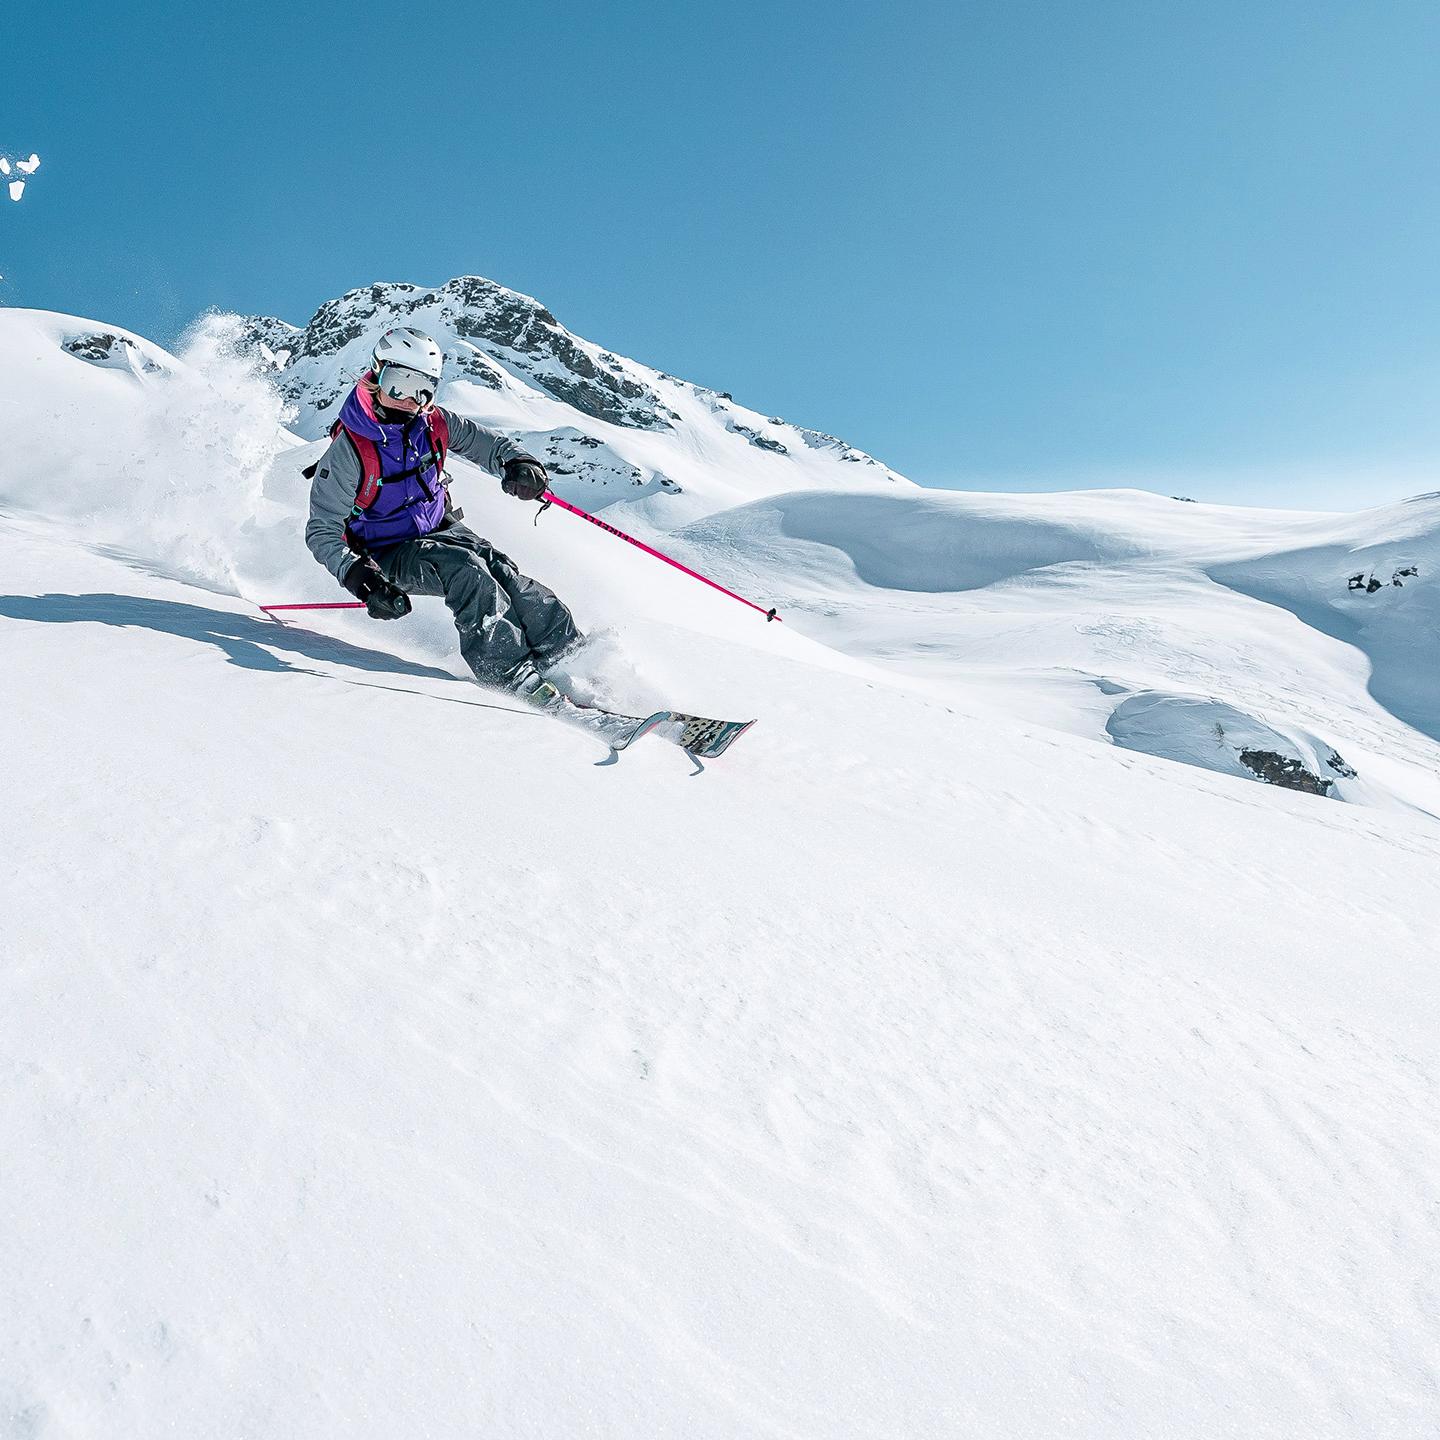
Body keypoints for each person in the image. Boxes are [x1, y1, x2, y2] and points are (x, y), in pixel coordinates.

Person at [304, 327, 580, 706]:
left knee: (503, 572)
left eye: (423, 388)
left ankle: (568, 655)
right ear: (375, 375)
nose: (409, 400)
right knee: (466, 572)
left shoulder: (435, 423)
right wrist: (361, 579)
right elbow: (322, 529)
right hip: (386, 551)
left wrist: (517, 463)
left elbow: (492, 445)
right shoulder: (351, 447)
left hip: (440, 527)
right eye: (398, 383)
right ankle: (510, 673)